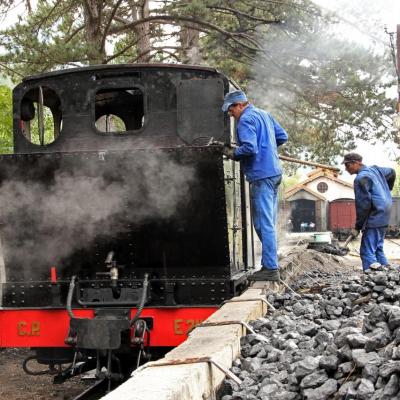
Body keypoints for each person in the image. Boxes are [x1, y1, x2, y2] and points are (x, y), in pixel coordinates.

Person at [221, 90, 288, 281]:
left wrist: (231, 153)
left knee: (263, 223)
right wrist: (268, 148)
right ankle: (271, 261)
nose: (231, 114)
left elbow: (250, 148)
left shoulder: (245, 120)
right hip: (274, 173)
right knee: (266, 222)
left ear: (240, 104)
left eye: (231, 109)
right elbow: (283, 136)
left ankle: (270, 268)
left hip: (261, 175)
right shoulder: (264, 114)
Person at [343, 152, 396, 272]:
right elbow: (392, 172)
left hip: (375, 215)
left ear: (356, 163)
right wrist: (387, 189)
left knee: (366, 251)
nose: (346, 169)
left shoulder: (361, 178)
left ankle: (372, 279)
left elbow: (363, 205)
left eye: (347, 165)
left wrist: (358, 226)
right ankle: (386, 273)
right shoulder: (376, 170)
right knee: (377, 247)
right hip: (385, 213)